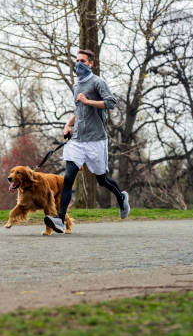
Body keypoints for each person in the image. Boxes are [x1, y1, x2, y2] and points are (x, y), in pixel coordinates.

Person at [44, 49, 130, 234]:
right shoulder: (76, 86)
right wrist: (68, 125)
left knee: (102, 180)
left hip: (96, 140)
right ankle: (59, 220)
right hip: (77, 140)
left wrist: (88, 101)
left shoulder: (98, 82)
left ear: (91, 63)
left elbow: (111, 103)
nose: (79, 64)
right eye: (77, 61)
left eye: (83, 61)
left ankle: (121, 198)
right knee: (68, 178)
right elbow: (79, 110)